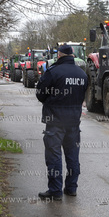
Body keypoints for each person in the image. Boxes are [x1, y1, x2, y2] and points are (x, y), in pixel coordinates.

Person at [36, 45, 88, 201]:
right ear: (72, 55)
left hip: (55, 121)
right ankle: (71, 188)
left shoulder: (53, 72)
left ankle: (55, 190)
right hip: (73, 122)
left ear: (59, 54)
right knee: (72, 156)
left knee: (54, 157)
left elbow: (40, 93)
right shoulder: (82, 74)